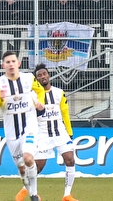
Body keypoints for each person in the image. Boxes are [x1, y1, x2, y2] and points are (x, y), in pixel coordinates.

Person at [0, 51, 44, 201]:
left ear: (18, 63)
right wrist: (0, 99)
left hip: (29, 127)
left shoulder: (29, 78)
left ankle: (34, 194)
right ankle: (29, 190)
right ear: (3, 65)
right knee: (21, 168)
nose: (11, 64)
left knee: (28, 158)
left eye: (13, 61)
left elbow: (40, 91)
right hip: (11, 132)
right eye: (8, 62)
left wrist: (40, 103)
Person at [33, 64, 80, 201]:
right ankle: (33, 193)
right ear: (37, 79)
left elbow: (65, 113)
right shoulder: (34, 96)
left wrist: (69, 132)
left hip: (60, 132)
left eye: (44, 74)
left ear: (48, 75)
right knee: (39, 167)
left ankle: (67, 195)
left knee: (70, 160)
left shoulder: (59, 92)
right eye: (39, 75)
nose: (43, 76)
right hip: (43, 134)